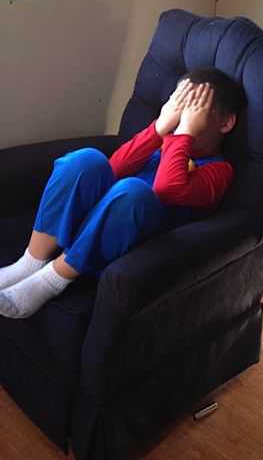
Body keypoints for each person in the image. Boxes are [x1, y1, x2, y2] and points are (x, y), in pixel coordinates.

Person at [0, 67, 245, 319]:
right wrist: (158, 128)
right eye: (180, 104)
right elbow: (113, 168)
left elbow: (167, 188)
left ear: (225, 122)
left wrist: (184, 134)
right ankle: (30, 262)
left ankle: (50, 280)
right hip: (89, 223)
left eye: (197, 110)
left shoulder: (219, 171)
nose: (184, 116)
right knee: (85, 159)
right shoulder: (162, 144)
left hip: (126, 241)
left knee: (133, 190)